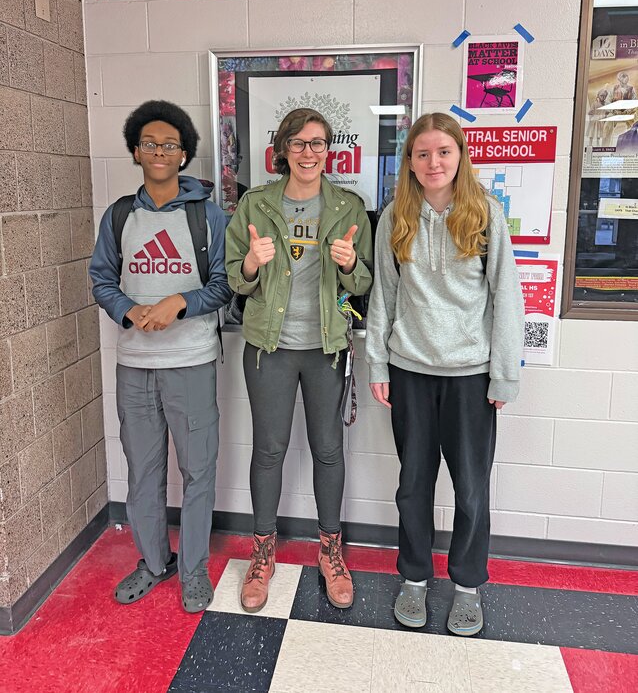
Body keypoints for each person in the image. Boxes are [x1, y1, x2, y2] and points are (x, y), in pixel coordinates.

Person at [365, 113, 524, 636]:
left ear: (459, 156)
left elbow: (507, 298)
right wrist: (378, 362)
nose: (433, 163)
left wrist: (503, 374)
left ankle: (467, 586)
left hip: (470, 376)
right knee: (412, 486)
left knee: (471, 489)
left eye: (443, 153)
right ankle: (414, 578)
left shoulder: (484, 214)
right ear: (409, 161)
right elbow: (383, 296)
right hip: (410, 371)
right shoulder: (394, 216)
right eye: (422, 154)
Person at [225, 108, 372, 613]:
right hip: (269, 347)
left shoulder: (350, 207)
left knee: (328, 449)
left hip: (326, 348)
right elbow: (234, 280)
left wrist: (352, 266)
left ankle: (330, 549)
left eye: (318, 143)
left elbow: (366, 283)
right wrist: (250, 262)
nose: (309, 152)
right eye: (298, 143)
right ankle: (262, 550)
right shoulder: (255, 204)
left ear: (329, 150)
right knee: (269, 449)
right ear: (281, 150)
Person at [89, 100, 232, 613]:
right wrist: (129, 312)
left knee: (198, 471)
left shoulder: (208, 216)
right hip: (135, 368)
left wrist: (178, 303)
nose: (158, 151)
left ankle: (193, 569)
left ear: (184, 154)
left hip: (191, 362)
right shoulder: (120, 216)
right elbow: (102, 278)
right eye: (149, 143)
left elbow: (224, 285)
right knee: (143, 470)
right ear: (134, 150)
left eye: (169, 144)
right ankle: (153, 562)